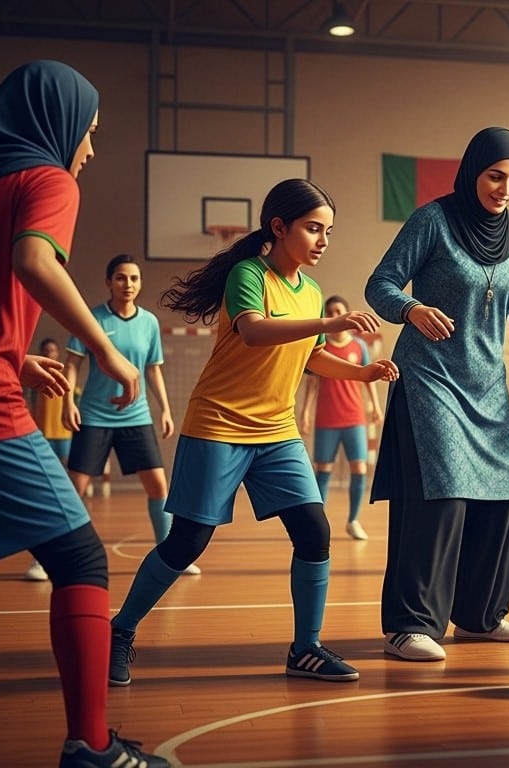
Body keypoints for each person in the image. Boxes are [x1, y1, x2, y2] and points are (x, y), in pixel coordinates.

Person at [0, 59, 167, 767]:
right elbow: (34, 261)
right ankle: (92, 746)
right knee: (80, 558)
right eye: (89, 131)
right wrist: (106, 349)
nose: (88, 148)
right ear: (56, 123)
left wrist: (15, 353)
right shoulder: (45, 178)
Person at [108, 178, 396, 687]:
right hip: (219, 423)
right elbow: (255, 331)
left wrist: (362, 373)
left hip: (277, 431)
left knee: (314, 531)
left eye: (328, 231)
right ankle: (120, 631)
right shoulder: (248, 274)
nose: (324, 241)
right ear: (279, 227)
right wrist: (328, 325)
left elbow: (310, 359)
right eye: (314, 229)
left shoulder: (310, 291)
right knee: (187, 542)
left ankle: (305, 649)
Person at [365, 127, 509, 663]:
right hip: (430, 379)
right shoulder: (432, 221)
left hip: (487, 385)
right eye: (495, 176)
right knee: (442, 497)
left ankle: (480, 616)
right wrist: (411, 309)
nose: (505, 189)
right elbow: (380, 284)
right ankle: (409, 625)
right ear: (472, 172)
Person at [23, 254, 185, 584]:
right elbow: (72, 365)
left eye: (134, 278)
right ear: (109, 282)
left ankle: (169, 558)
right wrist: (68, 402)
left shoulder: (149, 323)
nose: (128, 284)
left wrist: (165, 409)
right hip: (95, 418)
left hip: (136, 417)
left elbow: (153, 369)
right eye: (121, 278)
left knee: (158, 486)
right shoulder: (91, 318)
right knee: (75, 489)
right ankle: (45, 560)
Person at [299, 295, 382, 541]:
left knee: (359, 468)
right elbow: (312, 384)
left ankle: (353, 520)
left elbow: (368, 378)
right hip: (326, 418)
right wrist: (305, 412)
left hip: (354, 417)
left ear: (347, 314)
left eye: (339, 310)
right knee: (323, 469)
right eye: (331, 311)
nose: (335, 314)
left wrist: (375, 406)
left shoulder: (359, 346)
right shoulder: (321, 346)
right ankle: (318, 525)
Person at [29, 337, 74, 464]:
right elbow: (30, 401)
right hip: (43, 430)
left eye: (52, 350)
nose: (49, 353)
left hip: (63, 430)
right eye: (46, 350)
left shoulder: (66, 374)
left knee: (66, 463)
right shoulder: (35, 375)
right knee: (47, 463)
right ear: (41, 352)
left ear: (58, 352)